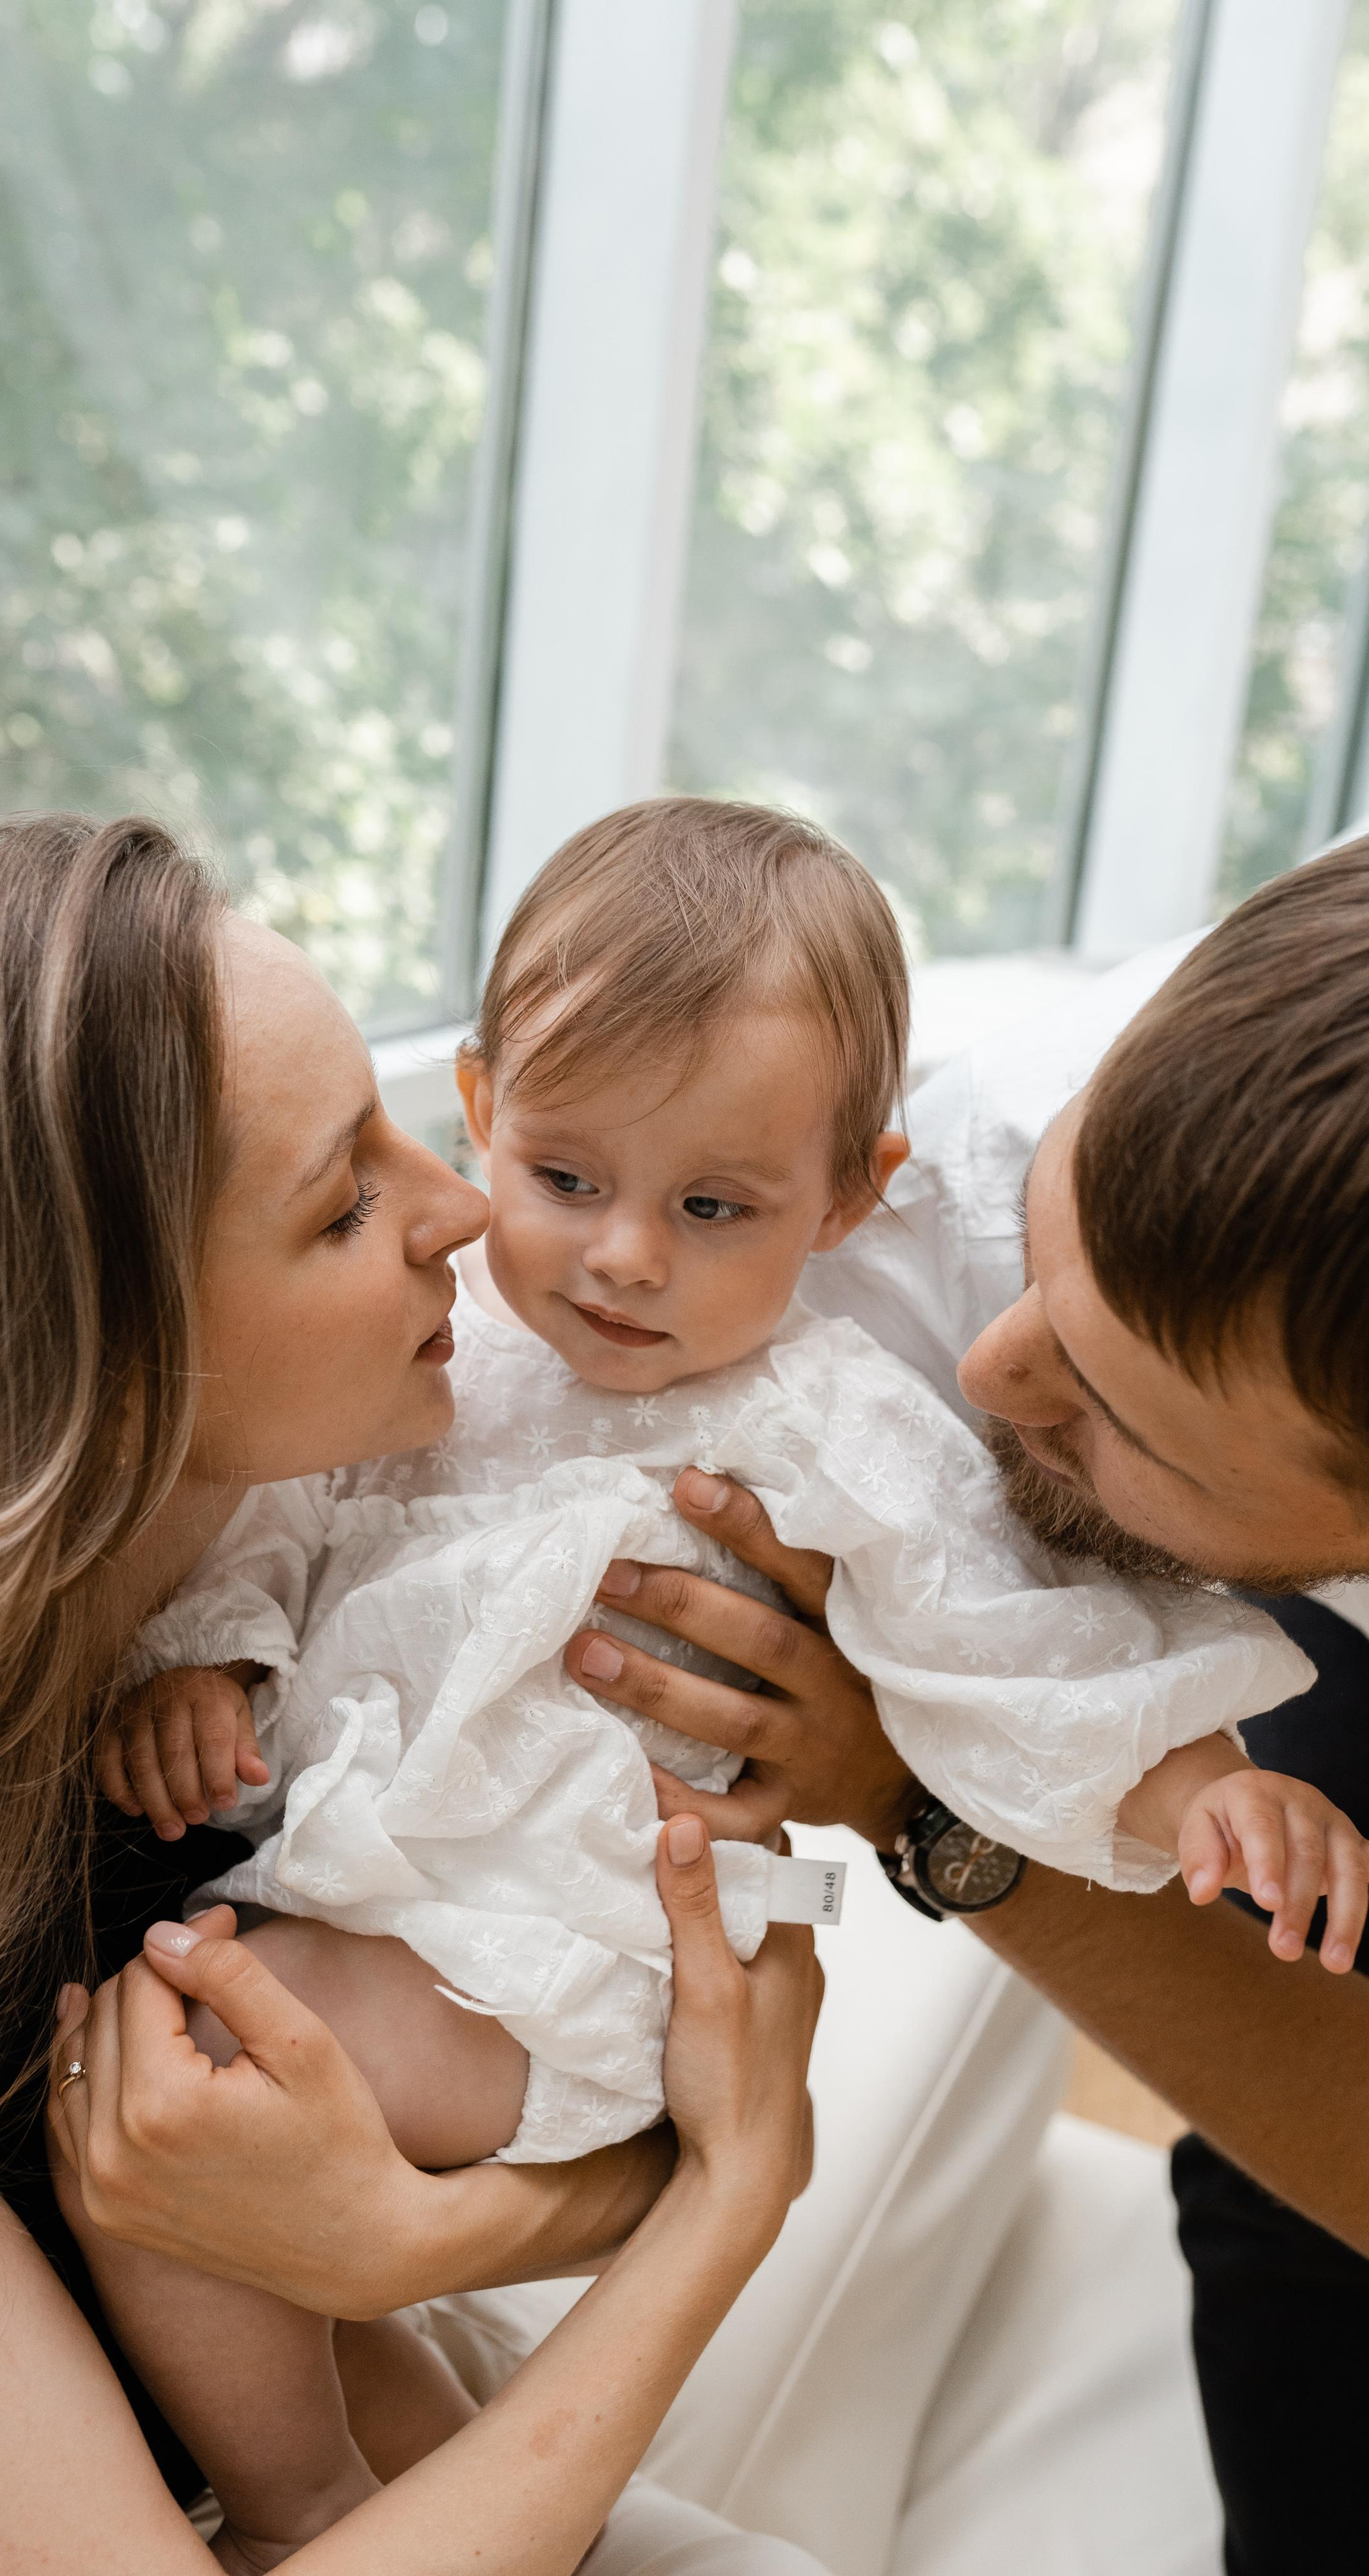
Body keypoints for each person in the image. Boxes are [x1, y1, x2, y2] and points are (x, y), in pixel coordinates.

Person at [87, 797, 1354, 2566]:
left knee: (182, 2073)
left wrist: (1192, 1787)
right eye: (564, 1180)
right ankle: (397, 2455)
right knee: (187, 2085)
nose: (622, 1257)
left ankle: (304, 2506)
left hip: (566, 1947)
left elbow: (1011, 1650)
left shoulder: (836, 1419)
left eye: (706, 1206)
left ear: (848, 1194)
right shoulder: (488, 1314)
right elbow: (293, 1509)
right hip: (367, 1874)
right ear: (485, 1119)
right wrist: (201, 1657)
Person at [0, 813, 826, 2576]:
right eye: (343, 1200)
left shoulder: (342, 1581)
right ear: (85, 1371)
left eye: (400, 1126)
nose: (455, 1211)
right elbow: (728, 2150)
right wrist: (721, 2219)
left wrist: (400, 2244)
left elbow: (683, 2076)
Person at [539, 835, 1369, 2575]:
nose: (992, 1371)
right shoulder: (1194, 1051)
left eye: (1120, 1419)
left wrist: (916, 1796)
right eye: (1036, 1244)